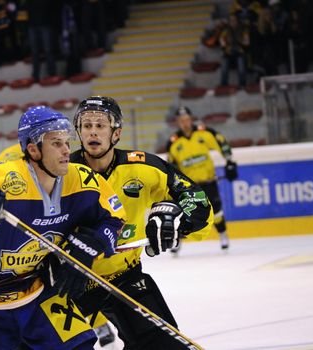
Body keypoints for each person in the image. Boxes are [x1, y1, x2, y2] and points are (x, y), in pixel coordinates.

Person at [0, 106, 126, 349]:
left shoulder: (81, 179)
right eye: (56, 143)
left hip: (39, 293)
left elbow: (114, 218)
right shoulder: (6, 177)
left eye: (67, 142)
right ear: (33, 149)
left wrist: (89, 247)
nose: (67, 150)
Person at [70, 96, 214, 349]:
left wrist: (179, 217)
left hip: (125, 276)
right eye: (86, 125)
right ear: (78, 132)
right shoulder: (62, 171)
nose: (93, 131)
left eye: (100, 125)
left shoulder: (144, 167)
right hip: (69, 280)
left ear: (116, 133)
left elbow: (197, 199)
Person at [166, 106, 238, 253]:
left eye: (187, 119)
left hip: (208, 181)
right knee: (182, 212)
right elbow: (171, 164)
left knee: (216, 210)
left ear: (191, 119)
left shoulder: (203, 133)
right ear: (178, 122)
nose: (185, 123)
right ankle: (177, 240)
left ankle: (223, 234)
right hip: (189, 186)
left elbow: (221, 142)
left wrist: (229, 161)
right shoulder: (174, 142)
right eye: (181, 120)